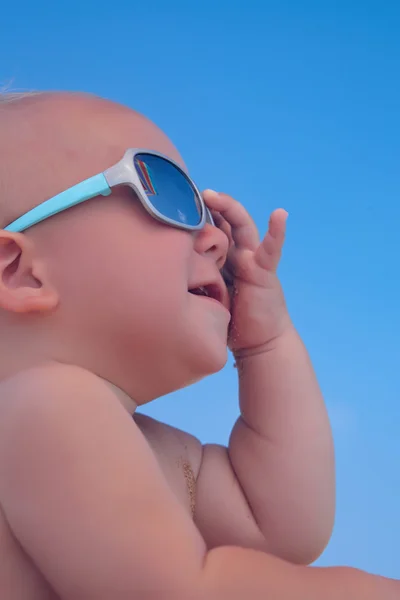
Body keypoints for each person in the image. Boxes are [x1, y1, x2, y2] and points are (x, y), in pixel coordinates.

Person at [0, 91, 396, 599]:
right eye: (166, 192)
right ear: (21, 272)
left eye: (207, 213)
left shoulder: (143, 444)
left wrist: (267, 345)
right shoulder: (46, 407)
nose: (216, 238)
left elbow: (281, 528)